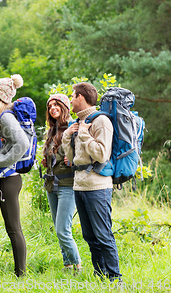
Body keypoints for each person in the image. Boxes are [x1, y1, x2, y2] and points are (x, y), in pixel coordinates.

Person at [62, 82, 122, 282]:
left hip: (97, 186)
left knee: (103, 235)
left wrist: (85, 133)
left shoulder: (101, 121)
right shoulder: (79, 122)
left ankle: (115, 278)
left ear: (81, 97)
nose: (70, 99)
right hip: (79, 185)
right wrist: (67, 136)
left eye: (72, 95)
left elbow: (101, 154)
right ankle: (100, 275)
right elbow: (71, 159)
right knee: (90, 236)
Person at [0, 74, 29, 277]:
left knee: (14, 228)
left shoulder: (5, 117)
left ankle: (20, 274)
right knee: (11, 227)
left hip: (10, 178)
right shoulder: (1, 117)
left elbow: (23, 144)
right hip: (7, 178)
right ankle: (19, 271)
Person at [42, 94, 83, 274]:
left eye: (56, 104)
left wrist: (73, 158)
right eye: (50, 106)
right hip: (52, 185)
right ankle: (67, 266)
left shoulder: (74, 127)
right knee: (59, 229)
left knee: (62, 230)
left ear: (64, 106)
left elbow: (83, 153)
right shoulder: (52, 131)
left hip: (67, 184)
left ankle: (78, 266)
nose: (52, 108)